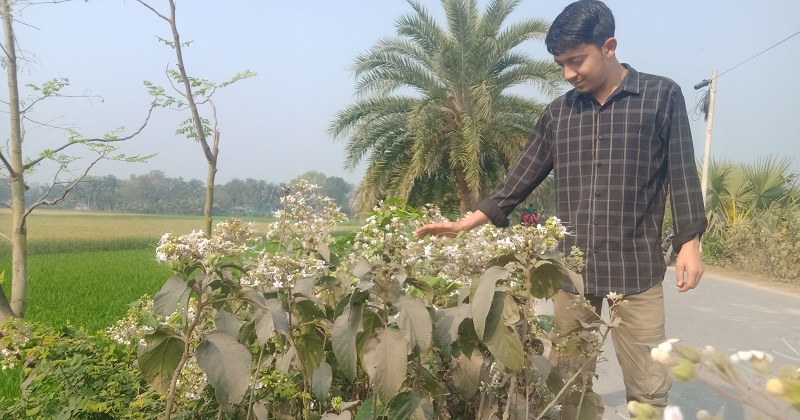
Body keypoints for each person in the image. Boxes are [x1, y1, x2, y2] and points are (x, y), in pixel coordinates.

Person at [414, 0, 707, 417]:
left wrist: (689, 243)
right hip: (573, 273)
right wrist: (468, 224)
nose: (569, 74)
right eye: (560, 65)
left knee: (648, 384)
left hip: (636, 270)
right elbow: (520, 176)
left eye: (576, 60)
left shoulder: (661, 97)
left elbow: (681, 172)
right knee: (568, 380)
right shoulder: (559, 114)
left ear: (608, 46)